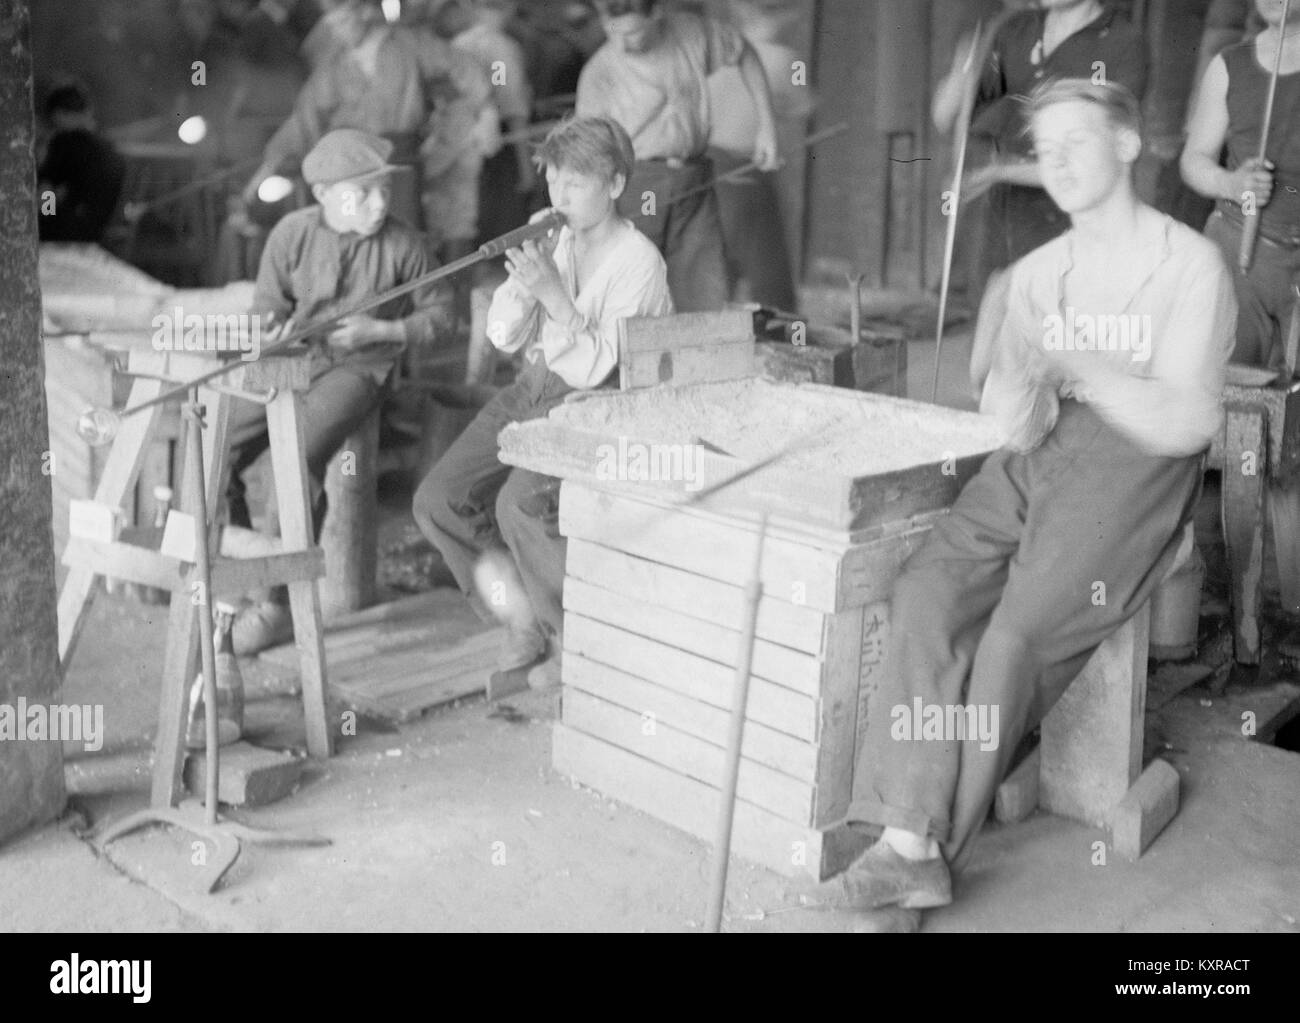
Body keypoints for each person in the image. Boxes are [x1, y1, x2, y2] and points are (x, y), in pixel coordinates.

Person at [827, 79, 1236, 932]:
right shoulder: (1041, 271)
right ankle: (908, 832)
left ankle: (921, 853)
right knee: (929, 588)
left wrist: (1079, 362)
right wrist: (1009, 355)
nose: (1058, 165)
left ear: (1127, 144)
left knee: (1014, 640)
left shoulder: (1190, 263)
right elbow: (1011, 423)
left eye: (1076, 142)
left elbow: (1191, 417)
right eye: (1044, 152)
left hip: (1139, 468)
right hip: (1044, 453)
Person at [412, 116, 672, 686]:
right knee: (439, 499)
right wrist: (527, 280)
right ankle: (521, 617)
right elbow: (505, 335)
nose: (560, 198)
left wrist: (554, 295)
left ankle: (574, 643)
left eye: (576, 185)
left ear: (616, 185)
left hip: (602, 403)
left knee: (518, 506)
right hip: (533, 385)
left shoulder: (640, 264)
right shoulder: (552, 235)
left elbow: (598, 365)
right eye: (554, 183)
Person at [229, 129, 453, 653]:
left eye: (384, 191)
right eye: (363, 193)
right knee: (219, 449)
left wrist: (386, 331)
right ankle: (242, 584)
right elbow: (266, 306)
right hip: (290, 362)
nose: (379, 205)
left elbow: (444, 315)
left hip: (360, 369)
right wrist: (270, 330)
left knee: (296, 454)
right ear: (325, 194)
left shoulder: (404, 244)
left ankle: (276, 605)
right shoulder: (291, 233)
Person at [932, 0, 1147, 307]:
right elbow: (946, 118)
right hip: (1000, 216)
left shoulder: (1123, 42)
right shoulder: (1014, 29)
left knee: (1056, 332)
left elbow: (1099, 159)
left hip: (1073, 222)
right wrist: (960, 72)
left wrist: (999, 170)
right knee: (993, 327)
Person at [574, 0, 778, 312]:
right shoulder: (598, 74)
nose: (625, 43)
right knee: (637, 278)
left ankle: (695, 353)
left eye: (635, 33)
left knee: (702, 277)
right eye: (615, 34)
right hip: (641, 183)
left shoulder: (692, 34)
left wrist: (767, 126)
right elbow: (587, 151)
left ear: (656, 15)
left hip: (694, 176)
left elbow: (745, 53)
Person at [1181, 0, 1300, 370]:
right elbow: (1193, 159)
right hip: (1238, 250)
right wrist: (1232, 184)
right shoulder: (1229, 64)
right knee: (1231, 395)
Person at [37, 83, 126, 244]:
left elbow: (46, 190)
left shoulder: (63, 142)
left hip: (61, 232)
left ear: (58, 114)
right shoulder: (109, 147)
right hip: (95, 233)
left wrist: (45, 216)